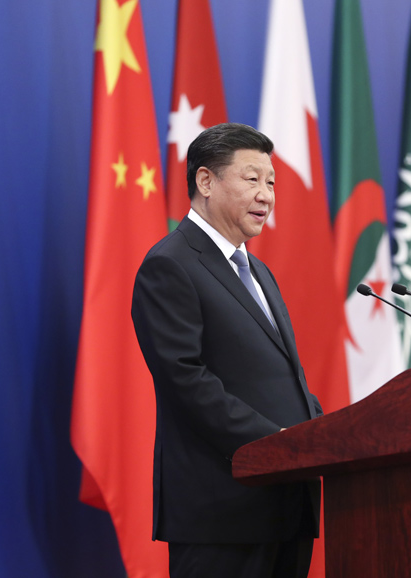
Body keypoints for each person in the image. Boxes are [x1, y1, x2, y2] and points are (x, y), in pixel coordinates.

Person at [131, 123, 322, 578]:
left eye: (271, 182)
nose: (266, 195)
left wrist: (322, 435)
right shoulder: (170, 265)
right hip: (223, 513)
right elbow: (186, 380)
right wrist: (276, 443)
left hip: (286, 502)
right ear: (205, 181)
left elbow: (283, 378)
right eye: (252, 179)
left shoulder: (259, 271)